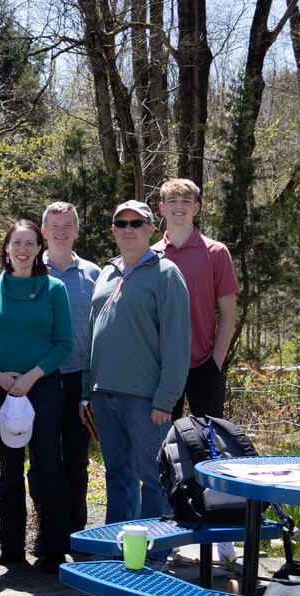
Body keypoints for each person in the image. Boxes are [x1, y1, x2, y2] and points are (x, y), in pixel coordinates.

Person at [0, 220, 72, 573]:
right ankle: (12, 547)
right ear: (6, 248)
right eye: (17, 243)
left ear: (39, 248)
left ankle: (52, 546)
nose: (23, 249)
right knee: (11, 470)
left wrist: (32, 376)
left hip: (43, 387)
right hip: (1, 388)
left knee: (48, 466)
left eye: (30, 243)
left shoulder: (54, 288)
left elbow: (64, 344)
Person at [85, 200, 190, 524]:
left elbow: (177, 342)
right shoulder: (106, 272)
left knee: (155, 478)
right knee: (118, 476)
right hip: (104, 396)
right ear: (113, 230)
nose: (128, 229)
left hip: (145, 400)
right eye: (122, 224)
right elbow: (92, 333)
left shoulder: (166, 274)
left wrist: (166, 399)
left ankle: (155, 552)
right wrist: (87, 392)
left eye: (136, 223)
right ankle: (119, 549)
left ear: (151, 229)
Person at [151, 178, 239, 420]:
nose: (179, 207)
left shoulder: (216, 253)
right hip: (162, 366)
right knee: (164, 443)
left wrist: (215, 363)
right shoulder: (151, 256)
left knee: (212, 440)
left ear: (196, 208)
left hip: (204, 363)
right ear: (162, 208)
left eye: (186, 202)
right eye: (173, 201)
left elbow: (229, 313)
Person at [41, 202, 101, 543]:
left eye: (68, 225)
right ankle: (49, 535)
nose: (61, 231)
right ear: (44, 231)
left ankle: (76, 534)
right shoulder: (32, 271)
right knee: (44, 462)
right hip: (41, 380)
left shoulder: (95, 275)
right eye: (54, 225)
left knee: (76, 462)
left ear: (77, 231)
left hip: (80, 378)